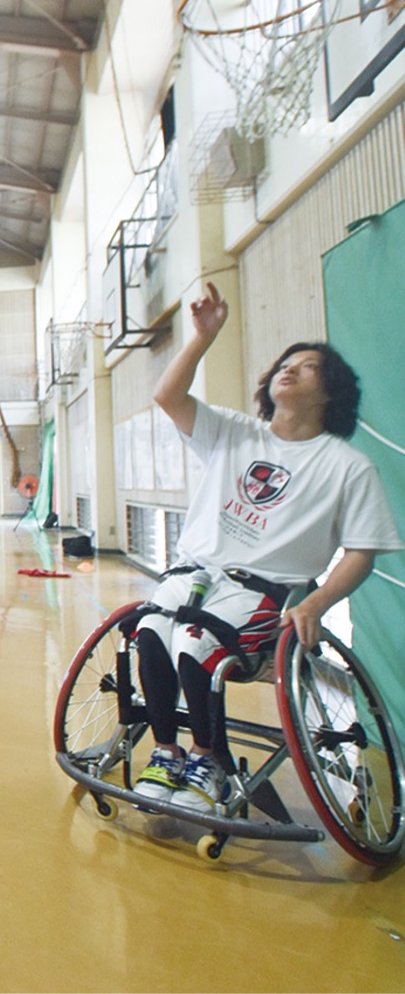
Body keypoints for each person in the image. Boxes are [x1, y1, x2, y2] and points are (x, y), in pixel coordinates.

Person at [131, 282, 401, 815]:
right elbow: (168, 396)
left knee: (194, 643)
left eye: (307, 367)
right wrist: (202, 337)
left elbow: (361, 551)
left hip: (266, 590)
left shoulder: (346, 466)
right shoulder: (235, 432)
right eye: (285, 362)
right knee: (150, 631)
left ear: (331, 393)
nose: (290, 369)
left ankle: (207, 762)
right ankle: (166, 753)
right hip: (196, 572)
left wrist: (314, 603)